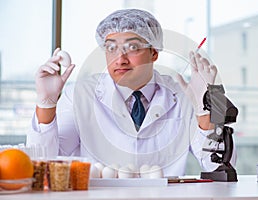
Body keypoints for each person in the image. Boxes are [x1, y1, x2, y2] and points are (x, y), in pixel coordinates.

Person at [27, 8, 236, 176]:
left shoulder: (182, 94)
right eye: (111, 48)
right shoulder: (79, 96)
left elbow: (217, 167)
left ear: (154, 52)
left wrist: (206, 109)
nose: (120, 58)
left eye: (132, 47)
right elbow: (43, 164)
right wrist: (46, 104)